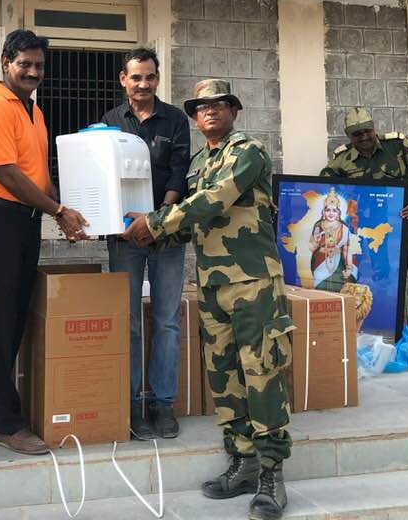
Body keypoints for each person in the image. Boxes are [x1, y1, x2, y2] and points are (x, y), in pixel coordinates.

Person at [123, 79, 293, 520]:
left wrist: (153, 223)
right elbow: (190, 222)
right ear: (195, 118)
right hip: (213, 285)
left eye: (219, 104)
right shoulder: (199, 161)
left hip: (253, 282)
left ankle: (271, 474)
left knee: (262, 373)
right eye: (201, 107)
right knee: (224, 377)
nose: (210, 111)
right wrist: (131, 229)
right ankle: (243, 462)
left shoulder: (248, 151)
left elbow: (213, 201)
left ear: (234, 111)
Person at [0, 29, 88, 455]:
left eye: (38, 66)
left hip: (24, 222)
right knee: (1, 324)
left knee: (11, 320)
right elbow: (7, 174)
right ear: (5, 63)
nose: (32, 72)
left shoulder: (33, 110)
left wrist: (64, 211)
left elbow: (38, 173)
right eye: (24, 64)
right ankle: (7, 423)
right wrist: (58, 210)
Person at [100, 47, 189, 440]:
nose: (143, 84)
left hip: (166, 233)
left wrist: (156, 221)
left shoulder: (176, 120)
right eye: (136, 77)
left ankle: (163, 404)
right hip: (124, 236)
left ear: (158, 78)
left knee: (167, 320)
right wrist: (121, 222)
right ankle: (134, 403)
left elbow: (179, 173)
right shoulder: (110, 123)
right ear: (124, 79)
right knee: (130, 321)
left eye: (150, 77)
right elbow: (105, 178)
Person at [320, 107, 408, 371]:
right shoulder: (342, 160)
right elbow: (324, 189)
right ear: (349, 136)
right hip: (375, 237)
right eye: (357, 134)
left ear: (374, 128)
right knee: (381, 285)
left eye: (367, 131)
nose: (364, 137)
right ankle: (384, 344)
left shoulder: (397, 146)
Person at [308, 188, 353, 291]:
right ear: (323, 212)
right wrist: (316, 241)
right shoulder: (318, 225)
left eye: (334, 210)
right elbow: (311, 248)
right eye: (328, 210)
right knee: (320, 292)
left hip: (338, 266)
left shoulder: (344, 228)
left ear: (338, 213)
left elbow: (346, 250)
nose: (331, 213)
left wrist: (349, 268)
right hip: (320, 263)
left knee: (337, 292)